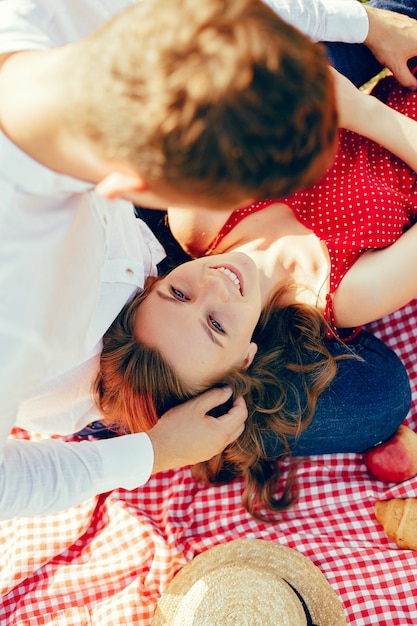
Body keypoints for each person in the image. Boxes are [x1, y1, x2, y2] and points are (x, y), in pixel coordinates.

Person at [0, 0, 415, 520]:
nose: (218, 282)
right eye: (254, 185)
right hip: (149, 373)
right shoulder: (26, 321)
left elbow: (223, 20)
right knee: (379, 396)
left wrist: (367, 23)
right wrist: (155, 452)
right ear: (137, 188)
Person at [95, 73, 417, 519]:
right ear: (246, 357)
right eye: (216, 323)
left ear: (154, 279)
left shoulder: (197, 222)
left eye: (179, 293)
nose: (214, 285)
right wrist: (363, 114)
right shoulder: (345, 294)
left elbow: (245, 88)